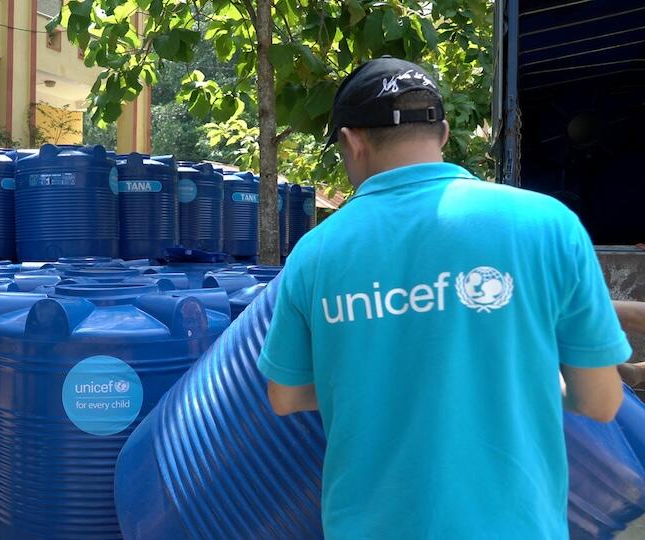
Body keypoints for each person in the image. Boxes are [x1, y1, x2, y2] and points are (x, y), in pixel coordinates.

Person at [258, 57, 630, 539]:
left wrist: (379, 383)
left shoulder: (315, 252)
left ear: (351, 141)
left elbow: (285, 396)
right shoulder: (548, 223)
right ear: (445, 132)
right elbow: (600, 403)